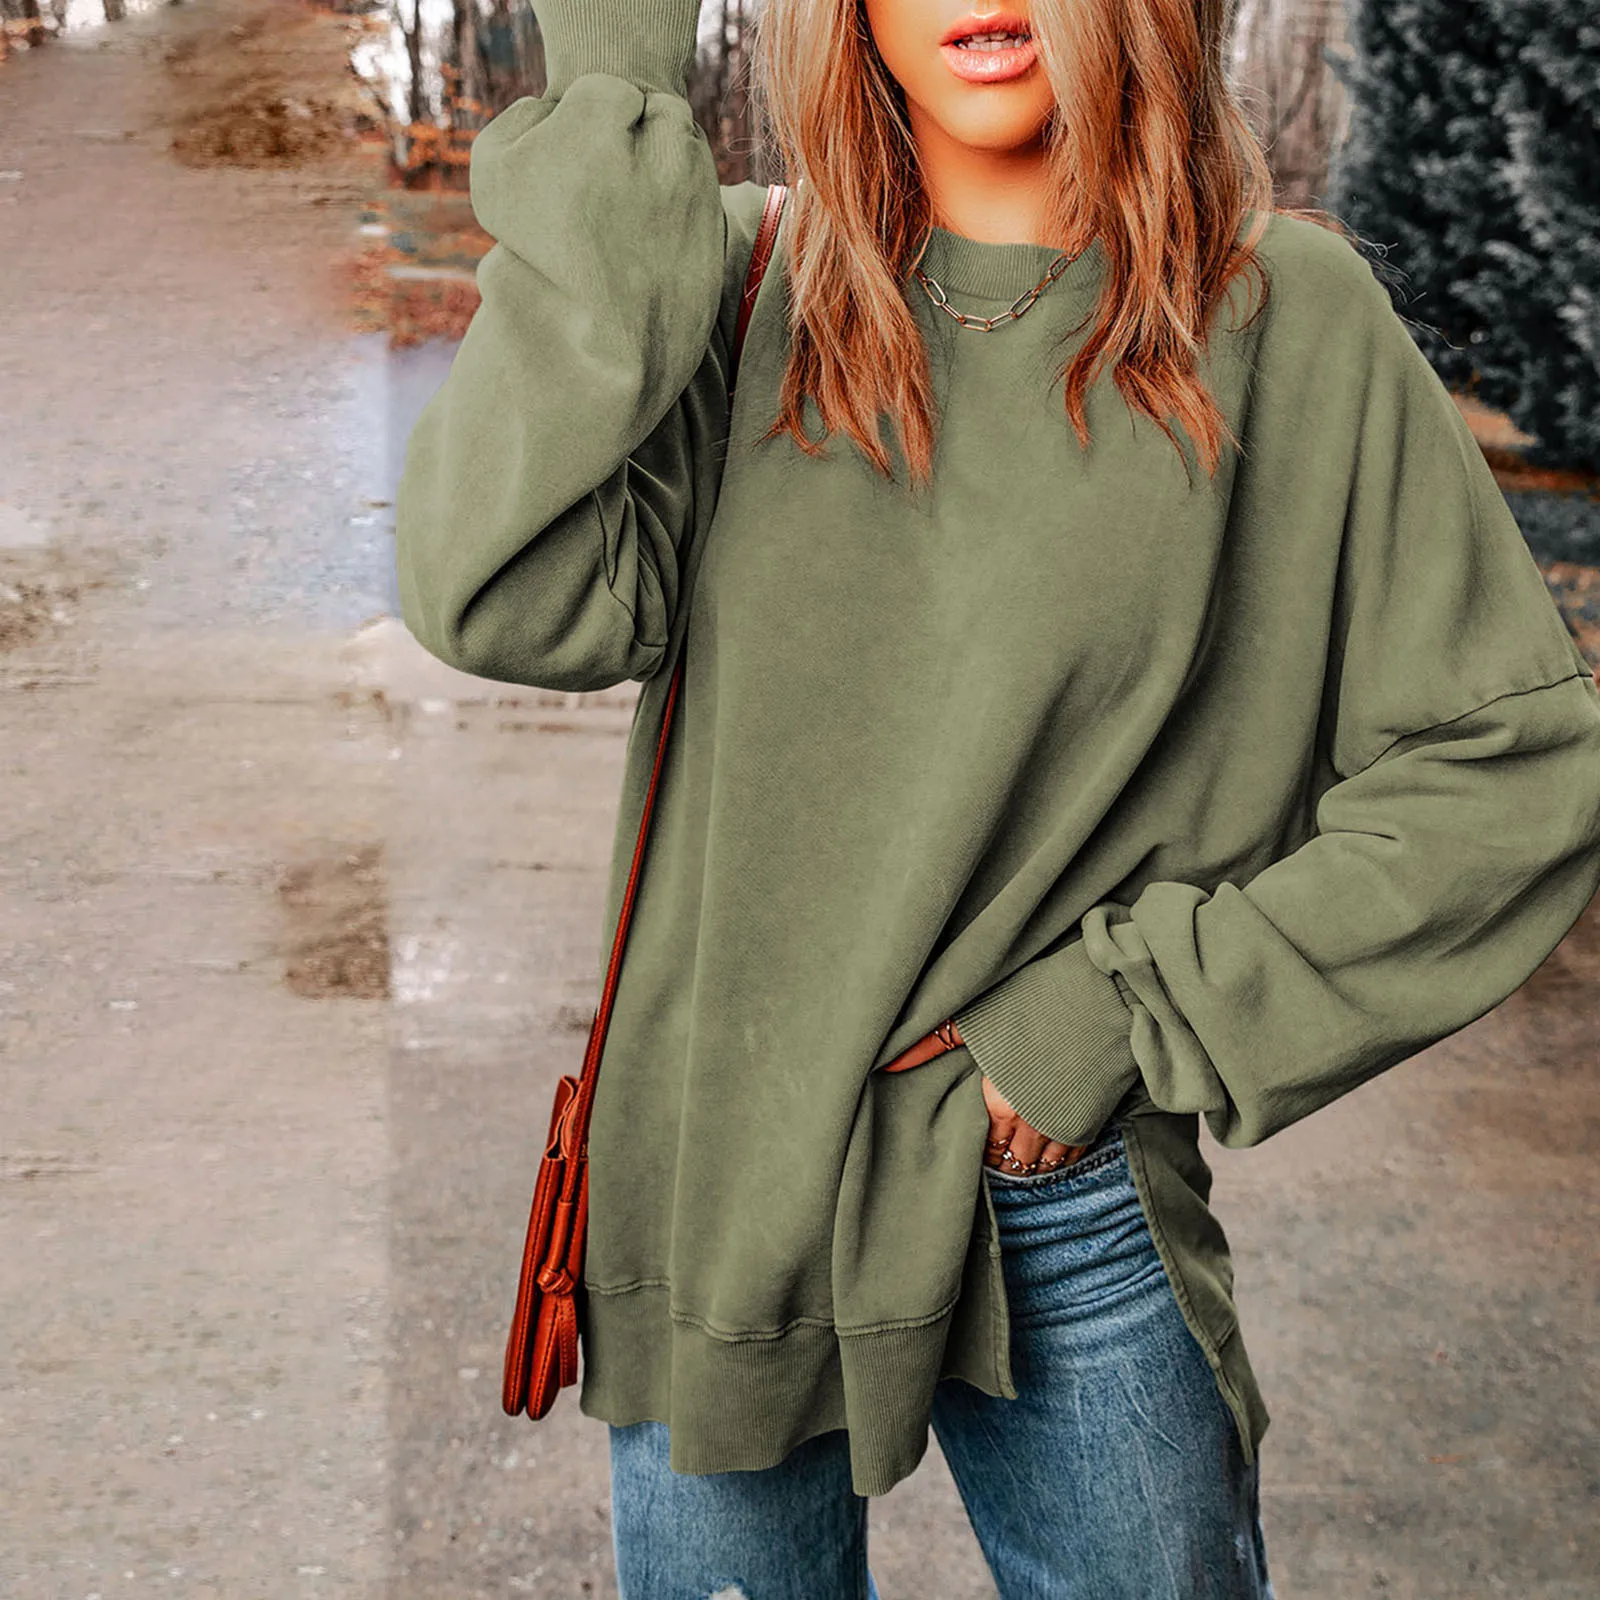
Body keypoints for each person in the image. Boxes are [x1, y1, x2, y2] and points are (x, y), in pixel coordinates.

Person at [392, 1, 1600, 1595]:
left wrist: (1116, 1018)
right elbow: (498, 591)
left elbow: (1511, 767)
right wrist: (617, 79)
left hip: (1060, 1197)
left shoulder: (1281, 317)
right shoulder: (738, 285)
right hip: (719, 1184)